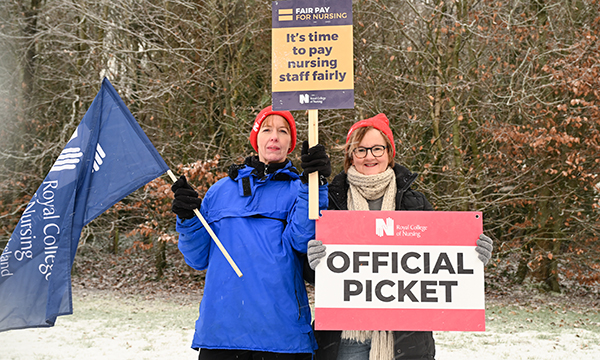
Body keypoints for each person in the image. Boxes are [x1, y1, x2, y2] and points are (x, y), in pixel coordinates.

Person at [305, 113, 494, 360]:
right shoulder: (328, 202)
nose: (369, 156)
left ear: (389, 153)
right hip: (346, 338)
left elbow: (441, 262)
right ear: (350, 156)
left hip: (406, 338)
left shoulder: (415, 203)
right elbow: (315, 276)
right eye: (360, 150)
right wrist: (312, 261)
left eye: (376, 148)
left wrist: (474, 255)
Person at [171, 106, 332, 360]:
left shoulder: (298, 189)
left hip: (282, 335)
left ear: (290, 143)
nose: (274, 136)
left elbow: (302, 241)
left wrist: (314, 186)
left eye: (283, 131)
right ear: (255, 137)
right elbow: (197, 257)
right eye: (267, 129)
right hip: (221, 335)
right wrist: (188, 218)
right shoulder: (219, 191)